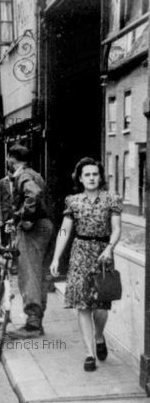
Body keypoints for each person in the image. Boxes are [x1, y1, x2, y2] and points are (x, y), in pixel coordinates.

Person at [50, 158, 122, 371]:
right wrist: (56, 257)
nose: (91, 178)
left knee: (101, 306)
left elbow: (116, 228)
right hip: (80, 253)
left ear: (100, 177)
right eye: (87, 175)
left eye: (95, 174)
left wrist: (110, 248)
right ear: (80, 178)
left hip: (103, 255)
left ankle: (99, 335)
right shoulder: (73, 201)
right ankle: (89, 353)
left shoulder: (112, 199)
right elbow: (64, 230)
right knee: (82, 305)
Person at [5, 144, 54, 339]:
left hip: (34, 229)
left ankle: (32, 325)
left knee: (29, 273)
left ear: (11, 159)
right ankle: (36, 321)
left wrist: (24, 217)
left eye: (8, 159)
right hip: (46, 226)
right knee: (40, 275)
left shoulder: (22, 175)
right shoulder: (35, 173)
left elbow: (32, 194)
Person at [0, 168, 18, 274]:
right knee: (5, 241)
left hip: (16, 215)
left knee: (16, 241)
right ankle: (5, 263)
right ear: (7, 172)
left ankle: (15, 264)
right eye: (10, 172)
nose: (12, 175)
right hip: (5, 216)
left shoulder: (20, 181)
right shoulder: (2, 182)